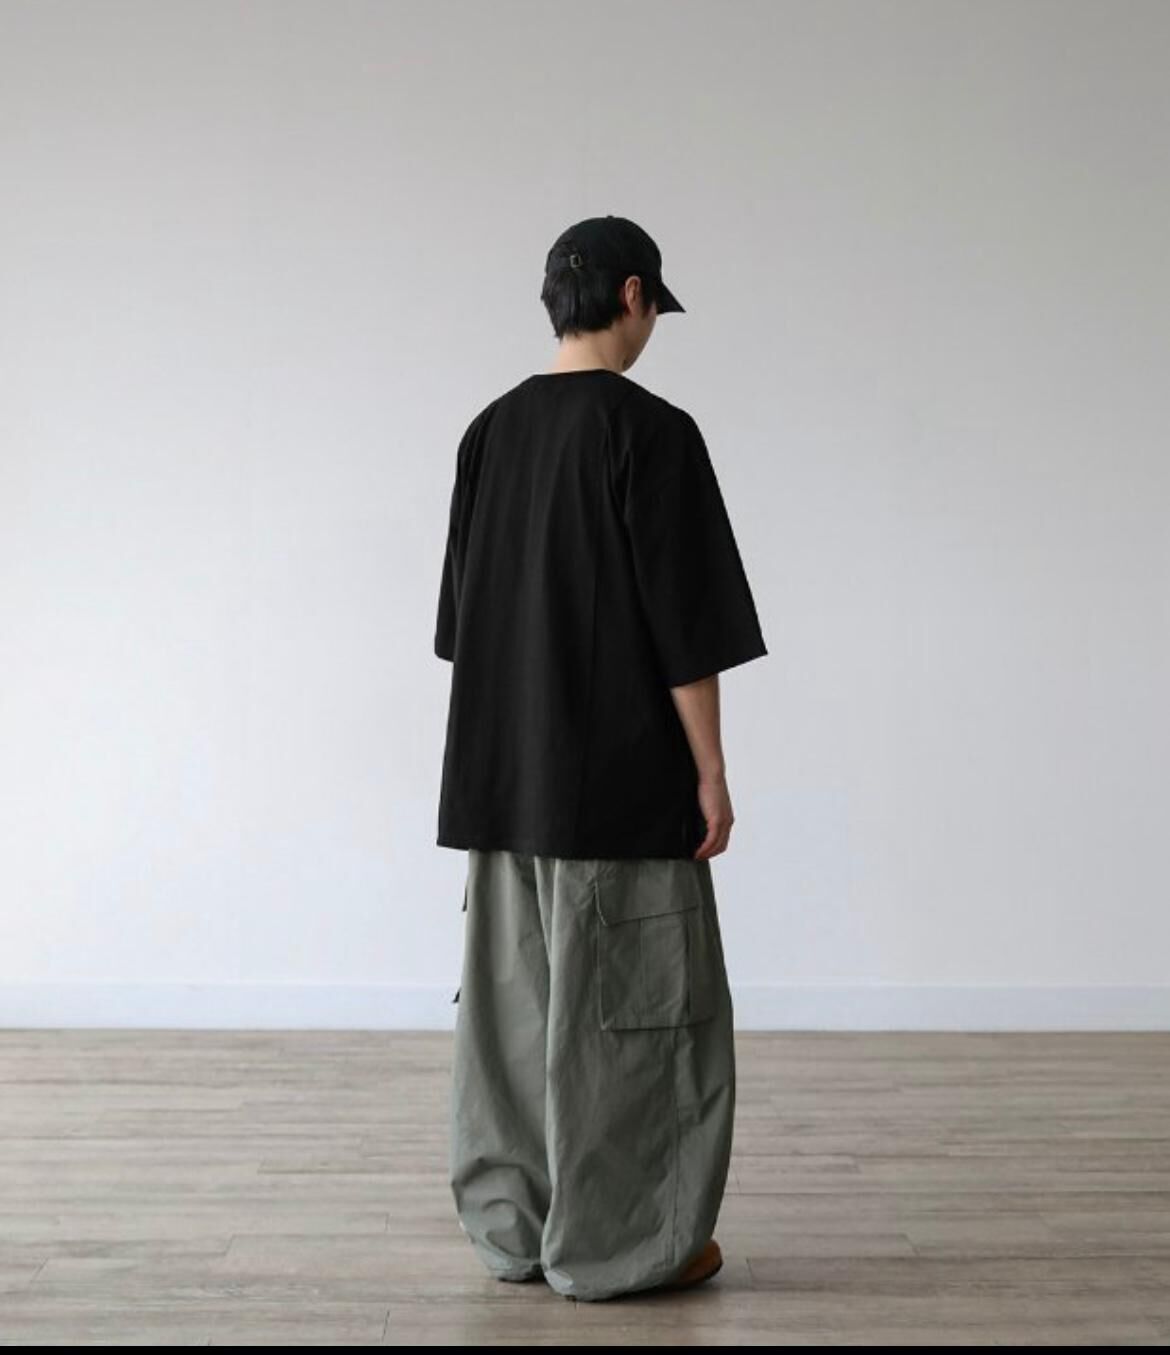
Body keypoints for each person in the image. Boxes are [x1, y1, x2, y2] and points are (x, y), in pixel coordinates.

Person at [435, 214, 768, 1302]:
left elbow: (462, 629)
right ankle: (625, 1245)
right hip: (620, 791)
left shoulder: (488, 434)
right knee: (638, 1025)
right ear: (632, 296)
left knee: (515, 1022)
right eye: (653, 308)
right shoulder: (653, 433)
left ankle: (515, 1230)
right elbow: (688, 633)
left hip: (500, 790)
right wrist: (711, 772)